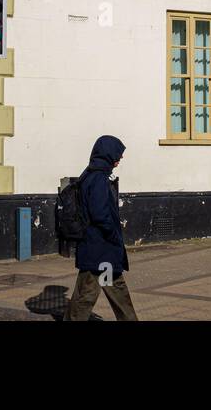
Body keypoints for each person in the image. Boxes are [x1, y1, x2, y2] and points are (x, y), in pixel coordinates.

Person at [65, 135, 138, 321]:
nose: (120, 158)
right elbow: (99, 213)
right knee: (87, 295)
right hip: (100, 247)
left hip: (100, 249)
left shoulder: (91, 174)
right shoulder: (97, 178)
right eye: (118, 154)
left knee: (114, 289)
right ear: (108, 153)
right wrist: (113, 234)